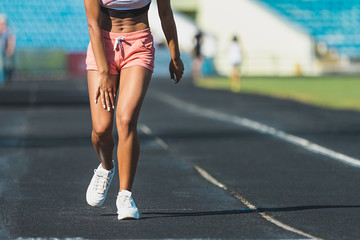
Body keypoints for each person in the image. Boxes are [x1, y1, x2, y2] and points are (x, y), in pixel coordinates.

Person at [83, 0, 184, 220]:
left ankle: (125, 195)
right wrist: (103, 72)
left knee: (126, 120)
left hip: (139, 47)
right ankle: (106, 166)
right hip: (103, 45)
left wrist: (175, 56)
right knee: (101, 130)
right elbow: (92, 23)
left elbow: (165, 14)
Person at [0, 14, 16, 85]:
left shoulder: (8, 30)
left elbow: (11, 40)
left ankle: (8, 79)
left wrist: (10, 49)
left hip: (5, 52)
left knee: (8, 65)